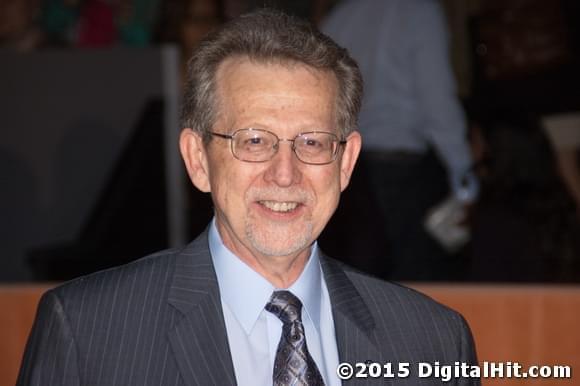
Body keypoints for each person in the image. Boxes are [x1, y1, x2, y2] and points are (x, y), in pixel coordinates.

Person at [17, 9, 479, 386]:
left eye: (312, 142)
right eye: (254, 141)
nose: (284, 173)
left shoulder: (433, 343)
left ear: (346, 163)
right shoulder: (90, 332)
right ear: (198, 159)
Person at [322, 0, 479, 280]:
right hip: (403, 169)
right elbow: (437, 99)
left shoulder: (342, 16)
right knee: (414, 287)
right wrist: (463, 175)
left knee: (361, 283)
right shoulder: (419, 11)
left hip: (349, 171)